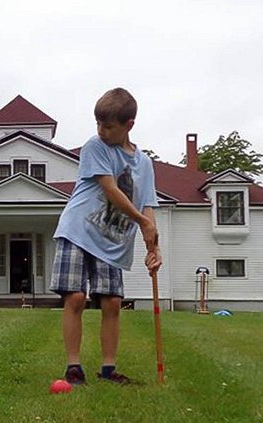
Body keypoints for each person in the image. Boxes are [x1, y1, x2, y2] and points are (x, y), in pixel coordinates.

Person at [50, 88, 162, 385]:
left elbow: (146, 204)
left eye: (108, 126)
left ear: (129, 125)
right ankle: (74, 366)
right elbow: (111, 190)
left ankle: (109, 369)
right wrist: (140, 221)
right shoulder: (95, 147)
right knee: (75, 297)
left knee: (112, 303)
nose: (101, 131)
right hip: (78, 230)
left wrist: (153, 245)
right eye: (98, 124)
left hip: (112, 241)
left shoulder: (145, 164)